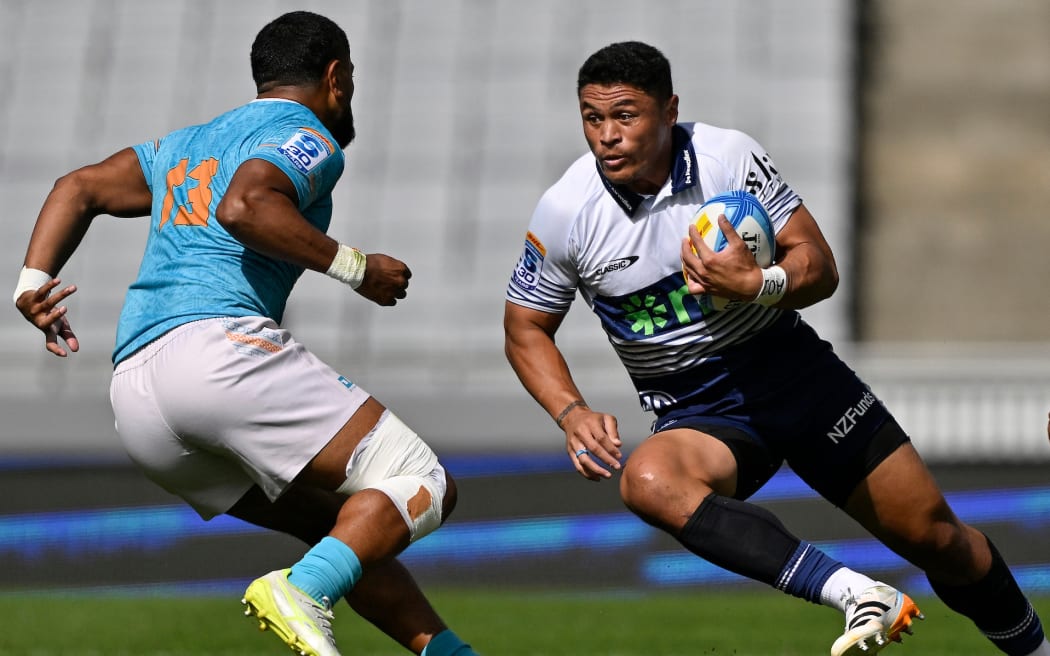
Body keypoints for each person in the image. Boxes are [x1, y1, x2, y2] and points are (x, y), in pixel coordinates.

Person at [503, 40, 1049, 656]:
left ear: (669, 110)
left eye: (625, 115)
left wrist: (755, 284)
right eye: (592, 118)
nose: (606, 135)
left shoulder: (727, 158)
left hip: (797, 377)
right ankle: (855, 594)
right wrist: (571, 411)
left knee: (938, 540)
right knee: (648, 481)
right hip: (699, 408)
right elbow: (525, 327)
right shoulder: (564, 212)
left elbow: (819, 265)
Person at [14, 11, 478, 656]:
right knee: (422, 479)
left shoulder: (186, 144)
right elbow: (246, 206)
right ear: (336, 76)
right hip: (218, 352)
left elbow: (79, 185)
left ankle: (447, 652)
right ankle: (302, 592)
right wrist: (357, 267)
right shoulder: (304, 130)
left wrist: (31, 282)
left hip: (137, 395)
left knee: (340, 532)